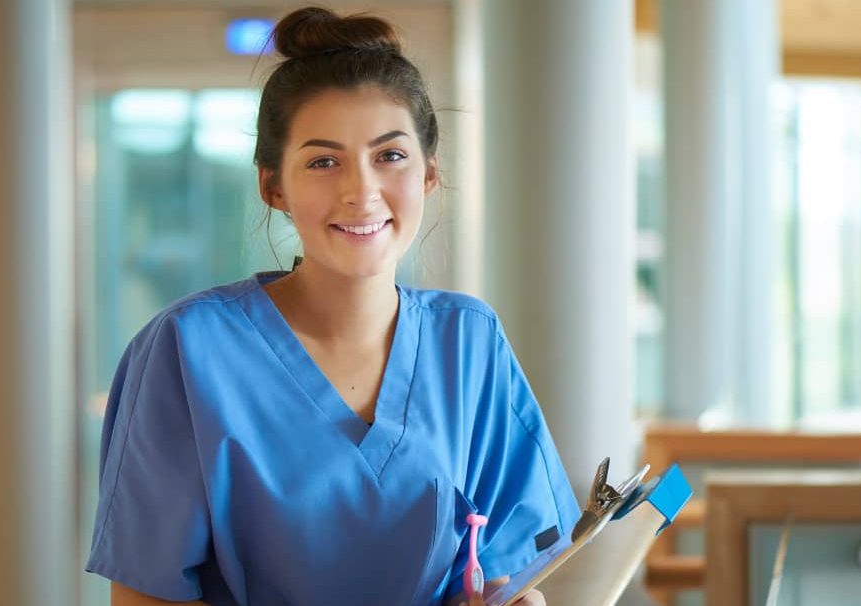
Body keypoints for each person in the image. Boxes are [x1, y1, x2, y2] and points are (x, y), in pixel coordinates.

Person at [85, 7, 580, 606]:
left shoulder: (469, 342)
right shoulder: (187, 351)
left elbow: (497, 573)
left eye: (389, 156)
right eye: (323, 161)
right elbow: (145, 596)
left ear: (427, 174)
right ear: (274, 187)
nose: (361, 192)